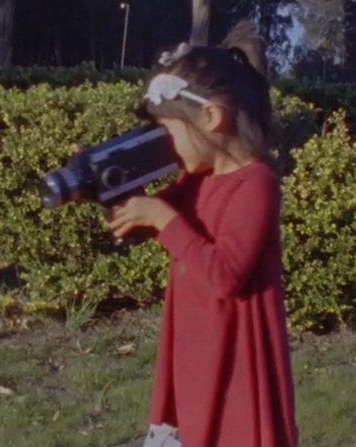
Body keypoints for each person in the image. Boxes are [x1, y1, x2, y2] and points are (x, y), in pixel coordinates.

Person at [105, 21, 298, 447]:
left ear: (212, 117)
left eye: (171, 132)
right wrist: (101, 183)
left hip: (236, 359)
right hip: (198, 347)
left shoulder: (256, 184)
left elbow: (227, 274)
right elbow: (153, 222)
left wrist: (161, 217)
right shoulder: (200, 178)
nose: (168, 146)